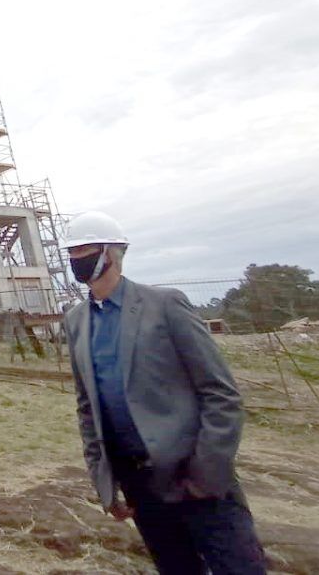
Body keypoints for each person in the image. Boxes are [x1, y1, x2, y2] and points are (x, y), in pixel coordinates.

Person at [62, 211, 267, 575]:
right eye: (72, 252)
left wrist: (207, 472)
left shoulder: (165, 306)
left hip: (195, 477)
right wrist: (105, 482)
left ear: (113, 253)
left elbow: (220, 393)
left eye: (87, 250)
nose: (78, 259)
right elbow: (87, 410)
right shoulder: (76, 322)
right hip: (140, 484)